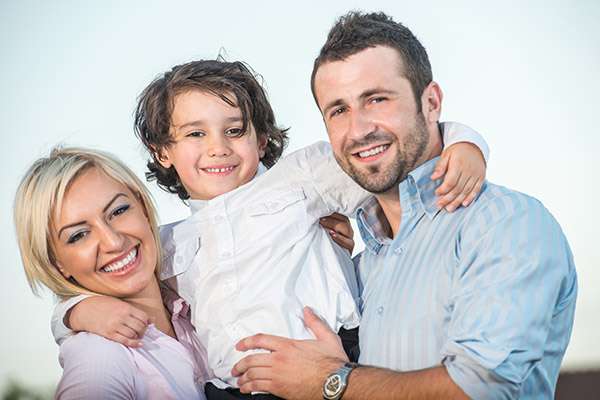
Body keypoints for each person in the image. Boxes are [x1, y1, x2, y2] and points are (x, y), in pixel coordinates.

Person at [50, 60, 489, 398]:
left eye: (235, 130)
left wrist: (464, 144)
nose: (218, 147)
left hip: (332, 356)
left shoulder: (300, 181)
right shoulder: (167, 243)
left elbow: (382, 152)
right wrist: (76, 312)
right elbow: (105, 288)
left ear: (261, 140)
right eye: (195, 135)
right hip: (231, 389)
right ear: (163, 150)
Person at [232, 11, 578, 400]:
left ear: (431, 102)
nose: (358, 129)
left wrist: (329, 382)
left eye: (376, 99)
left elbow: (479, 390)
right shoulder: (359, 265)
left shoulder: (505, 224)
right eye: (339, 110)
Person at [14, 147, 211, 399]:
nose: (113, 242)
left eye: (118, 211)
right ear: (56, 263)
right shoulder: (98, 356)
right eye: (79, 235)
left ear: (140, 205)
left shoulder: (198, 283)